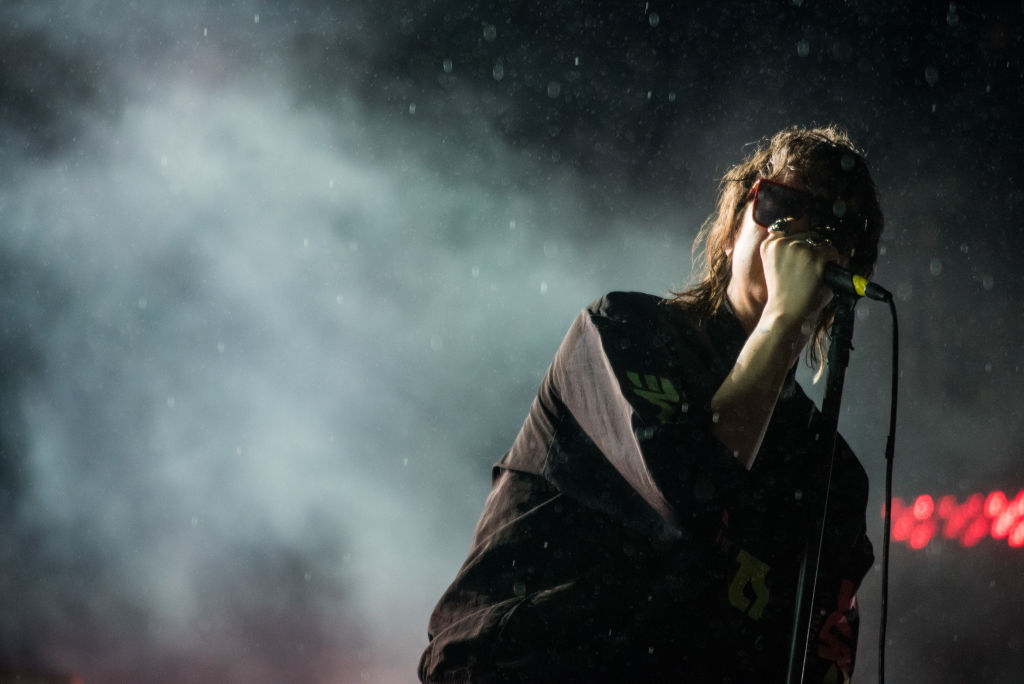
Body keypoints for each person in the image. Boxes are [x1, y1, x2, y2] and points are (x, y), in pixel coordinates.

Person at [419, 126, 884, 683]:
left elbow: (815, 659)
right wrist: (782, 321)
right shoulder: (626, 332)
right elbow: (694, 491)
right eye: (780, 207)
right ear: (733, 226)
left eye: (833, 226)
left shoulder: (832, 474)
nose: (799, 239)